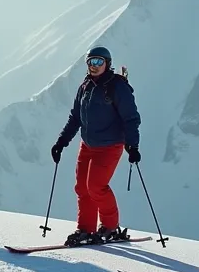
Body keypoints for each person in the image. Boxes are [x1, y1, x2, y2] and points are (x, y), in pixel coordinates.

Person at [50, 46, 142, 246]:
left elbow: (131, 118)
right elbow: (75, 117)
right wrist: (61, 142)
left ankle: (110, 226)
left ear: (107, 63)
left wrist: (133, 146)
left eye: (99, 61)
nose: (95, 65)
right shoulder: (85, 86)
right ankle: (86, 229)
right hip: (88, 145)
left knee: (96, 187)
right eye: (91, 61)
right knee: (82, 187)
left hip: (110, 146)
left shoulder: (117, 86)